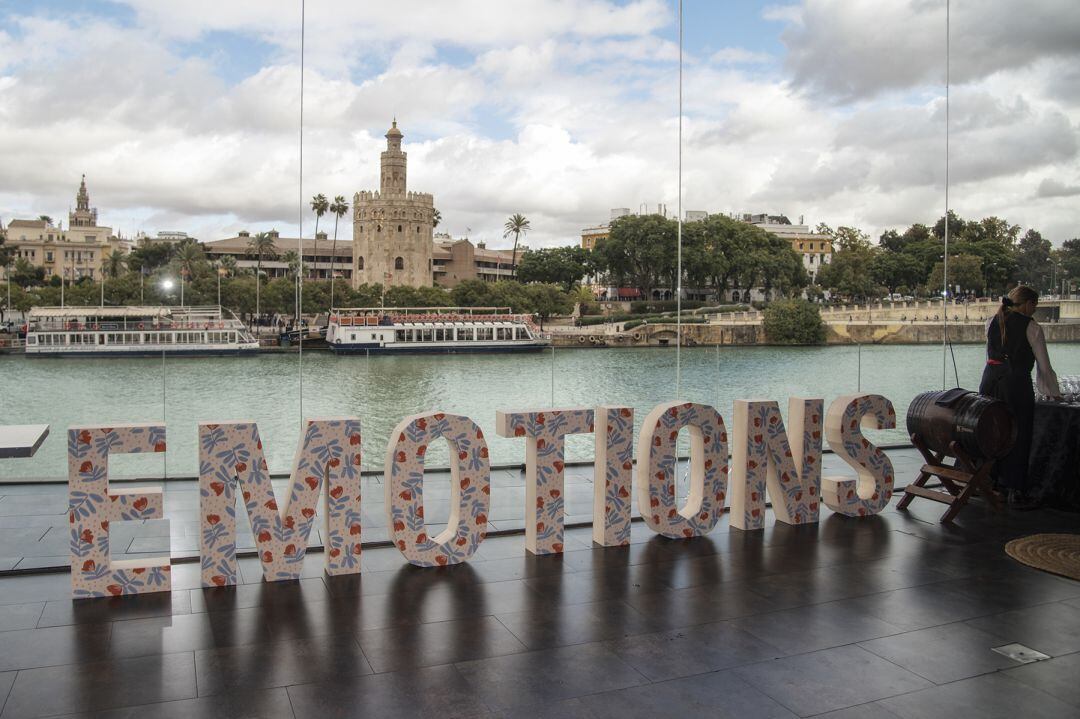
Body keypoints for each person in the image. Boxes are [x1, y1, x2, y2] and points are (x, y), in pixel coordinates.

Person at [979, 285, 1061, 508]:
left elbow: (990, 356)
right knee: (1018, 433)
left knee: (990, 432)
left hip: (989, 380)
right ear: (1027, 304)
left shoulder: (991, 322)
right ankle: (1014, 489)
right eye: (1034, 305)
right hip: (1015, 383)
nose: (1034, 310)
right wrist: (1053, 393)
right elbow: (1044, 367)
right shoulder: (1032, 327)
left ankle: (987, 481)